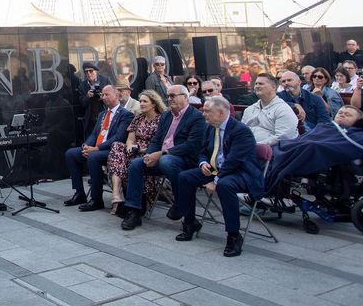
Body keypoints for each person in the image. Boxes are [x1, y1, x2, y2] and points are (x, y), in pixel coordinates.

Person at [174, 96, 262, 258]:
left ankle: (234, 235)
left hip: (240, 172)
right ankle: (190, 222)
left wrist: (215, 180)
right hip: (215, 169)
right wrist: (202, 163)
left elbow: (234, 161)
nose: (203, 114)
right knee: (184, 177)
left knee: (225, 185)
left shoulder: (240, 131)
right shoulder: (210, 127)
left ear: (221, 113)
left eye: (207, 111)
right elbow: (202, 151)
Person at [120, 85, 207, 231]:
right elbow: (157, 139)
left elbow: (192, 145)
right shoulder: (166, 115)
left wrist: (162, 154)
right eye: (168, 96)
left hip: (184, 159)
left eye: (173, 96)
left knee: (167, 161)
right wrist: (149, 154)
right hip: (162, 157)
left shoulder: (196, 117)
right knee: (136, 164)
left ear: (185, 97)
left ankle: (180, 202)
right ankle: (134, 211)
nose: (169, 99)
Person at [263, 105, 363, 196]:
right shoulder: (324, 126)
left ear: (357, 121)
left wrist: (312, 146)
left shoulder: (359, 135)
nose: (342, 115)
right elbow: (304, 138)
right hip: (297, 148)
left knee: (310, 146)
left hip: (315, 152)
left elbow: (341, 148)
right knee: (281, 146)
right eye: (340, 113)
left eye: (348, 115)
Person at [63, 85, 132, 211]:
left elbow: (118, 138)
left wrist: (96, 149)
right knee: (71, 154)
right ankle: (79, 193)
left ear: (116, 95)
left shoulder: (126, 114)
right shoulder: (102, 114)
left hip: (112, 151)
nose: (103, 97)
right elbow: (94, 134)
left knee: (93, 157)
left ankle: (96, 199)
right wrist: (86, 146)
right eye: (102, 95)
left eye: (107, 94)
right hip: (96, 149)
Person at [106, 90, 165, 216]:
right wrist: (130, 146)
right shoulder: (138, 119)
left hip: (150, 153)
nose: (141, 104)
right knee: (117, 146)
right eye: (141, 101)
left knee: (127, 162)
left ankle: (126, 200)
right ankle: (117, 193)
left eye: (145, 101)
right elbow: (130, 139)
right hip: (134, 150)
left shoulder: (161, 120)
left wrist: (142, 149)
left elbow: (161, 142)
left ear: (153, 104)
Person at [240, 73, 299, 145]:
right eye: (256, 84)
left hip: (274, 151)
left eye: (261, 84)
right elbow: (241, 131)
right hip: (247, 149)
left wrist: (257, 146)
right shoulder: (249, 110)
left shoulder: (283, 109)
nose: (257, 86)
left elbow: (284, 137)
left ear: (273, 87)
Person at [75, 62, 110, 141]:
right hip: (91, 119)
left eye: (91, 71)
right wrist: (87, 97)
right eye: (86, 72)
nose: (88, 73)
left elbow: (112, 96)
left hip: (105, 114)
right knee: (91, 140)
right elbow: (82, 104)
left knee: (105, 139)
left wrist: (103, 97)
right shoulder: (82, 86)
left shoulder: (105, 80)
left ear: (96, 71)